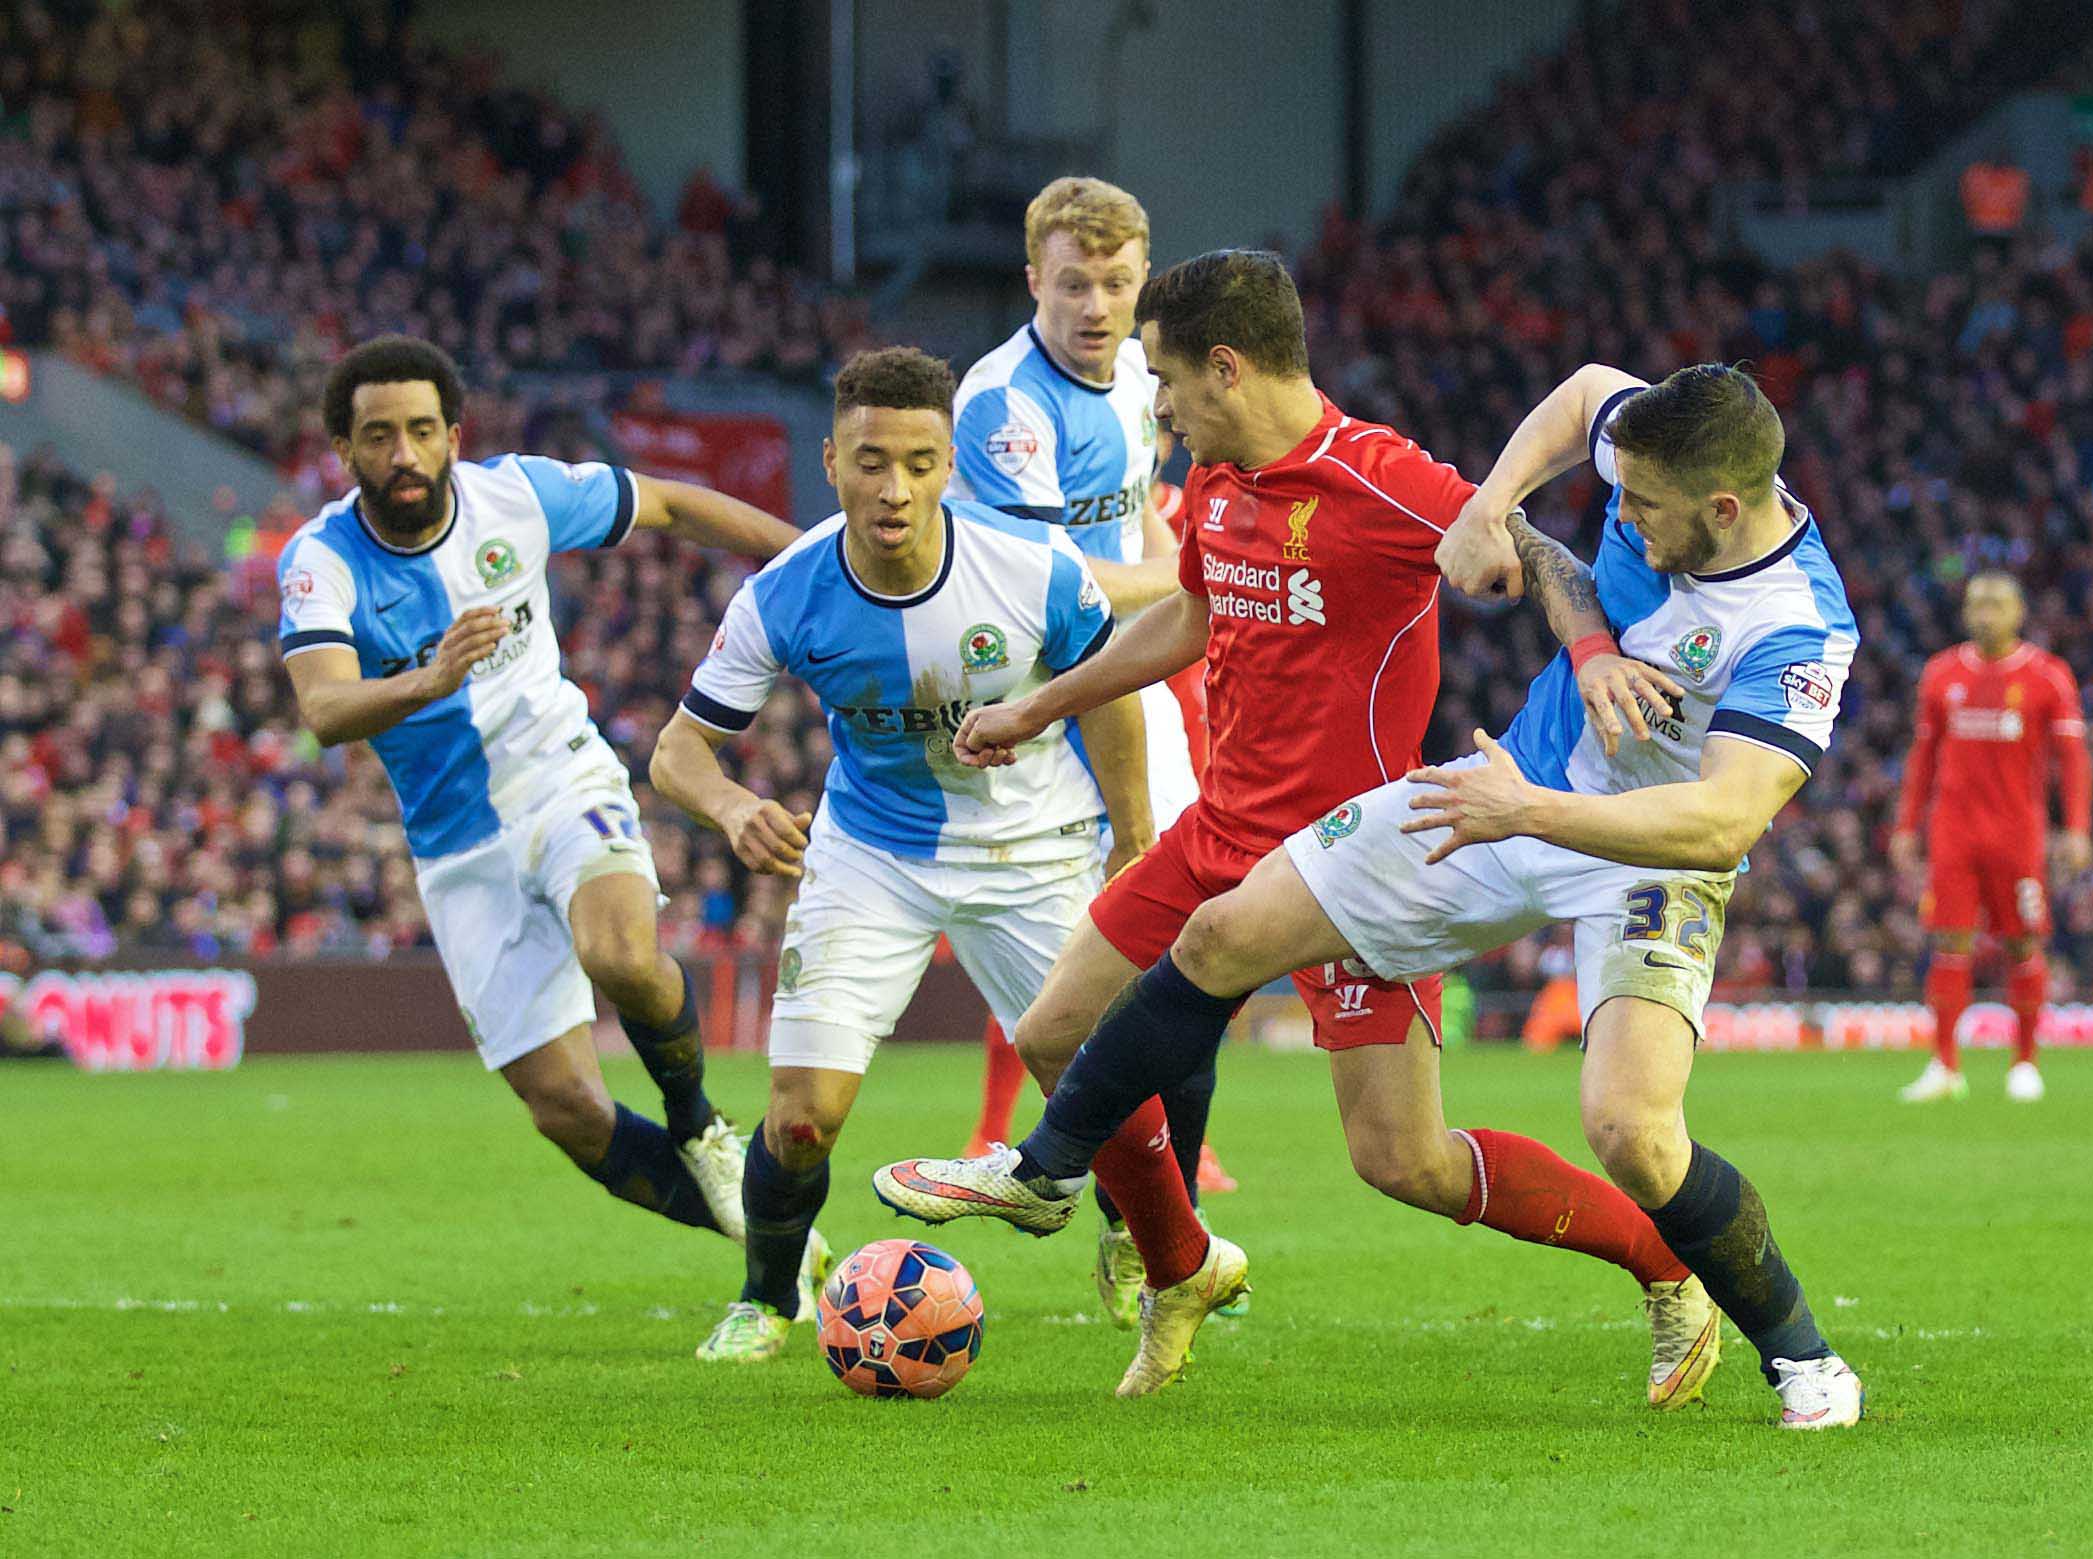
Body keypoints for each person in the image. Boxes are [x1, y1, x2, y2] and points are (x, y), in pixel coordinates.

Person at [874, 254, 1723, 1408]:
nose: (1158, 409)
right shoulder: (1215, 482)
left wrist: (1590, 650)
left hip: (1354, 862)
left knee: (1404, 1163)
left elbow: (1528, 543)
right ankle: (1180, 1262)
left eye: (1167, 381)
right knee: (1054, 1031)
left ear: (1225, 368)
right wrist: (1039, 702)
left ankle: (1666, 1259)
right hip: (1219, 832)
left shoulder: (1380, 480)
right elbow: (1189, 610)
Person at [276, 336, 803, 1351]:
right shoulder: (321, 561)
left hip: (561, 775)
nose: (405, 453)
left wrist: (812, 561)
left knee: (618, 950)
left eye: (423, 430)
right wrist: (426, 682)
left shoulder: (514, 496)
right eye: (379, 434)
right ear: (344, 447)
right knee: (564, 1107)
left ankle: (697, 1120)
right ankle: (777, 1242)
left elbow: (675, 504)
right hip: (456, 845)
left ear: (452, 435)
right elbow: (326, 705)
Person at [647, 347, 1155, 1363]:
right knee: (799, 1118)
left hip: (1036, 843)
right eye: (872, 462)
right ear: (831, 462)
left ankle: (1144, 1243)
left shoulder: (1033, 571)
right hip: (872, 852)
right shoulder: (784, 595)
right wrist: (731, 801)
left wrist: (1134, 846)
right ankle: (768, 1296)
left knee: (1103, 1083)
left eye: (920, 462)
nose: (895, 488)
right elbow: (676, 752)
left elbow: (1111, 699)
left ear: (948, 468)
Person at [945, 175, 1232, 1325]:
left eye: (1117, 283)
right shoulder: (1001, 405)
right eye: (1074, 282)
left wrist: (1183, 587)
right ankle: (1052, 1167)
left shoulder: (1132, 377)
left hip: (1132, 679)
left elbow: (1139, 520)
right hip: (1028, 691)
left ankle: (1150, 1233)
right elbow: (1046, 581)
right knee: (1076, 966)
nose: (1098, 306)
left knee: (1190, 940)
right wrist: (1206, 582)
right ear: (1033, 282)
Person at [1893, 572, 2091, 1103]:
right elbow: (1923, 759)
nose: (1985, 614)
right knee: (1948, 940)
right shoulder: (1941, 674)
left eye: (1997, 604)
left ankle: (2024, 1062)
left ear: (2018, 612)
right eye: (1977, 604)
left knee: (2023, 942)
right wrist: (1907, 824)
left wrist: (2076, 828)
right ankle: (1945, 1066)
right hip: (1954, 832)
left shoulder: (2048, 676)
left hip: (2017, 833)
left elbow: (2073, 761)